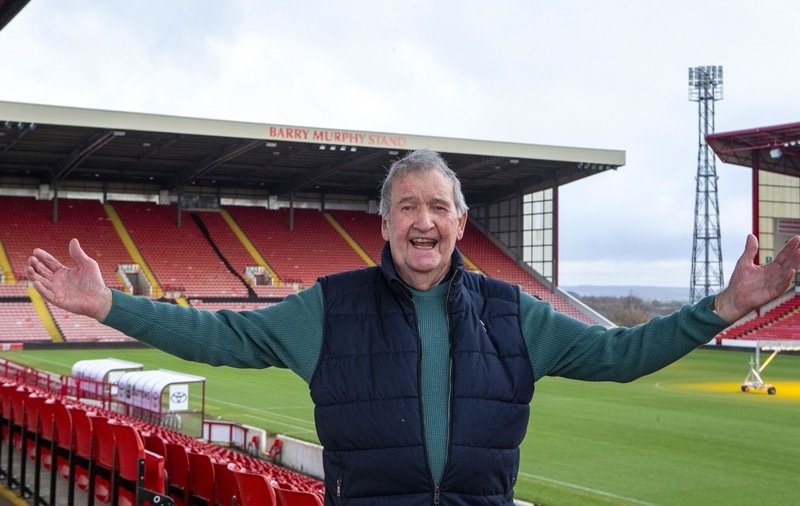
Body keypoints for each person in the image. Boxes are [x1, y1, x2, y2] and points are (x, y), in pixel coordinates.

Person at [26, 149, 800, 505]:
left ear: (461, 222)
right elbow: (220, 339)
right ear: (385, 224)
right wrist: (110, 306)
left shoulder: (516, 313)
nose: (423, 220)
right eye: (407, 206)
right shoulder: (327, 306)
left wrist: (723, 309)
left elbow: (621, 355)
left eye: (438, 206)